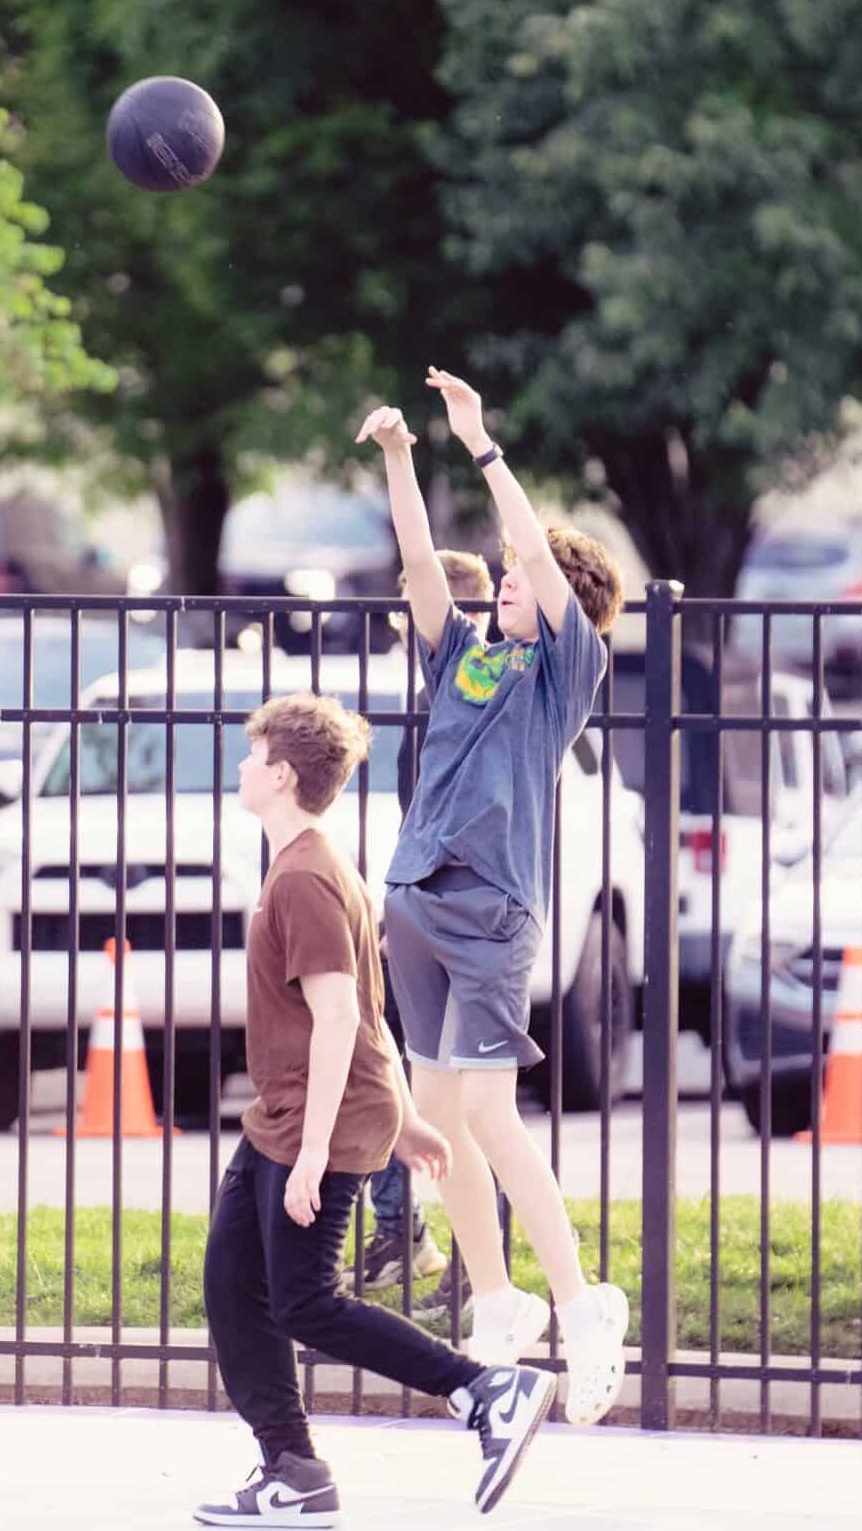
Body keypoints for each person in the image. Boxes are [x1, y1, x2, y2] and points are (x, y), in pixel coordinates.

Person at [197, 693, 559, 1527]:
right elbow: (367, 1011)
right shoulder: (304, 864)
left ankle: (484, 1391)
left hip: (310, 1124)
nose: (243, 767)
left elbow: (336, 1021)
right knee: (232, 1283)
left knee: (306, 1301)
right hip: (290, 1115)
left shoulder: (305, 880)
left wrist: (320, 1152)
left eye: (253, 756)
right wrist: (402, 1117)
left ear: (281, 775)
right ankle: (291, 1468)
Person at [354, 367, 631, 1427]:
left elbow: (527, 553)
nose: (506, 582)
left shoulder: (566, 667)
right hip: (417, 900)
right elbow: (424, 563)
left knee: (482, 1108)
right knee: (436, 1121)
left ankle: (580, 1299)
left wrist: (479, 442)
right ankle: (498, 1298)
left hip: (489, 911)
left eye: (522, 576)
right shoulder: (465, 657)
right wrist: (399, 460)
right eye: (511, 576)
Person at [356, 549, 497, 1295]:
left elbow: (466, 825)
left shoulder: (477, 704)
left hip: (466, 919)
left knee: (467, 1094)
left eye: (408, 613)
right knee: (402, 1075)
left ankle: (475, 1255)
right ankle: (405, 1232)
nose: (401, 631)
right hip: (425, 911)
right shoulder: (435, 705)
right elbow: (423, 821)